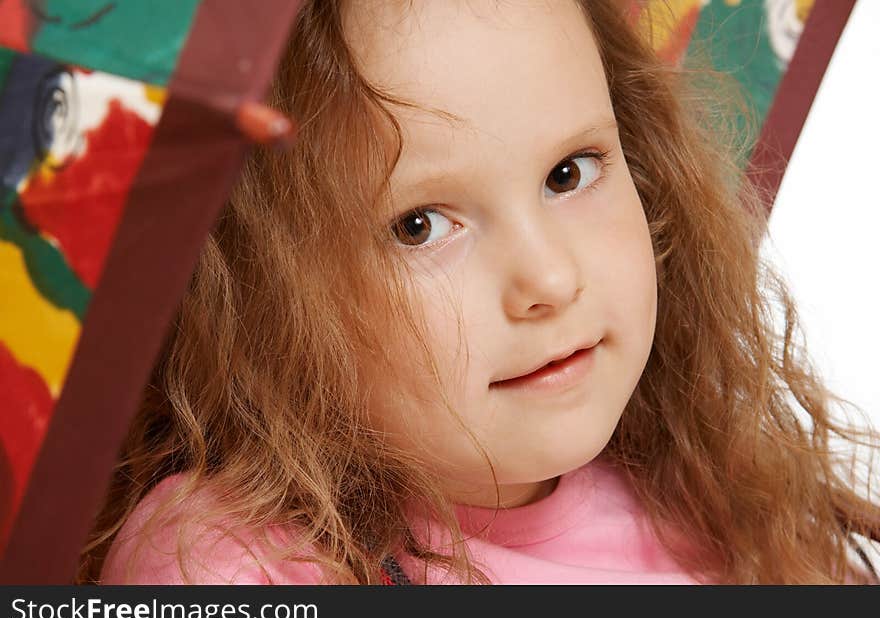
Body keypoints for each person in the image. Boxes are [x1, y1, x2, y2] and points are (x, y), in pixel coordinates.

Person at [79, 0, 879, 585]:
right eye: (420, 225)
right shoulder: (226, 563)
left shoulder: (716, 499)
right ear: (258, 293)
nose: (550, 281)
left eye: (570, 173)